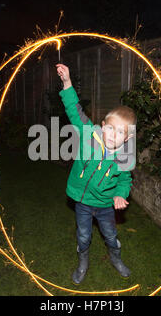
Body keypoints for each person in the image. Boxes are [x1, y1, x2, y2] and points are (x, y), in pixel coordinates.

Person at [55, 63, 137, 285]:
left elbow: (125, 179)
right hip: (82, 201)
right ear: (102, 125)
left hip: (104, 205)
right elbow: (74, 109)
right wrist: (67, 82)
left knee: (110, 235)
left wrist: (121, 194)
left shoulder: (124, 157)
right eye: (110, 128)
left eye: (120, 132)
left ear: (127, 138)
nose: (113, 134)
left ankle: (116, 257)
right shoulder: (89, 135)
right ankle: (83, 262)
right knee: (83, 235)